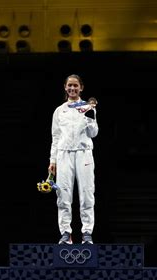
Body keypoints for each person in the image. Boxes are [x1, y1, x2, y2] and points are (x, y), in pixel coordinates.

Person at [48, 74, 98, 245]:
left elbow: (93, 133)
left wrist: (90, 116)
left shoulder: (88, 107)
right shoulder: (59, 111)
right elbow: (55, 137)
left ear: (81, 87)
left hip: (83, 153)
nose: (72, 88)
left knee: (86, 193)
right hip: (63, 154)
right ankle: (65, 233)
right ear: (65, 87)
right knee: (63, 195)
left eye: (75, 85)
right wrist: (52, 161)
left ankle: (86, 233)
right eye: (69, 85)